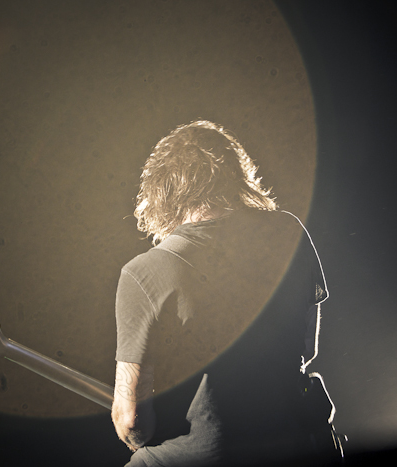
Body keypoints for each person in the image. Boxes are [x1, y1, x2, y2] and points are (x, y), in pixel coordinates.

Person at [111, 120, 341, 466]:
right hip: (299, 445)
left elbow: (132, 422)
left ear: (162, 191)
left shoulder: (143, 272)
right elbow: (307, 350)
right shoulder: (289, 233)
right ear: (237, 176)